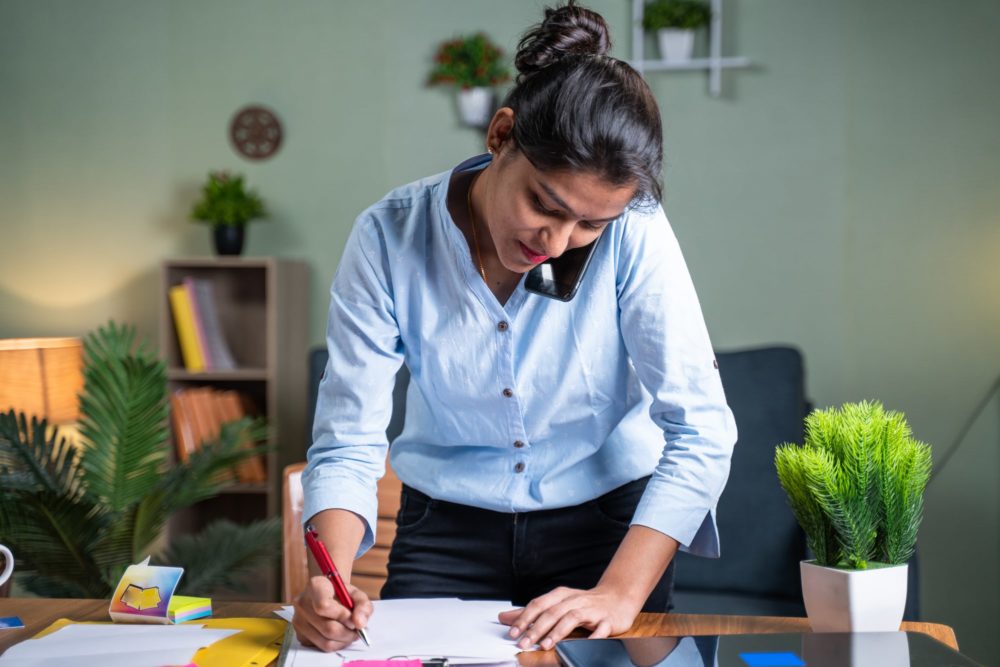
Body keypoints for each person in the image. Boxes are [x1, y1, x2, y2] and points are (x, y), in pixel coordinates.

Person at [294, 0, 737, 653]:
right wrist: (325, 580)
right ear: (500, 134)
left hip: (606, 527)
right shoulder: (389, 236)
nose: (557, 242)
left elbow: (701, 429)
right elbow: (350, 438)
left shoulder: (636, 231)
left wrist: (619, 592)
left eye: (590, 225)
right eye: (544, 204)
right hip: (444, 532)